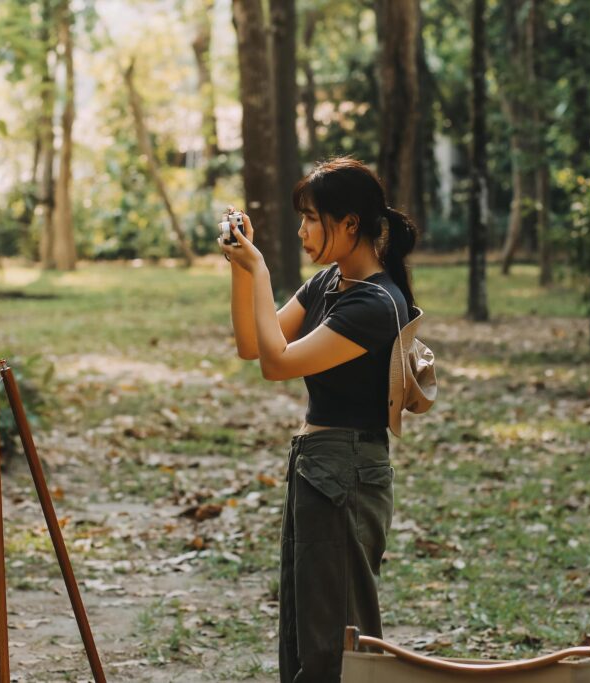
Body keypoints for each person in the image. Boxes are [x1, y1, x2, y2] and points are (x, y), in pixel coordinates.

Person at [220, 157, 419, 682]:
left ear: (350, 223)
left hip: (347, 472)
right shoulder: (330, 283)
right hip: (319, 467)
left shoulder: (377, 305)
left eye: (312, 218)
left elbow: (276, 363)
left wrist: (261, 270)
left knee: (339, 635)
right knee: (306, 629)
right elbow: (251, 344)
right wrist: (244, 271)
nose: (304, 231)